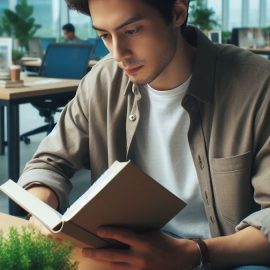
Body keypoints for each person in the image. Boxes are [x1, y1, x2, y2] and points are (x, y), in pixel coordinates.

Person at [18, 0, 270, 269]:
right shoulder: (102, 81)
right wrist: (42, 205)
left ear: (177, 12)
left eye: (132, 31)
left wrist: (195, 253)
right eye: (104, 35)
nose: (118, 53)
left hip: (222, 256)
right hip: (126, 254)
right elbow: (47, 163)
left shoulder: (257, 85)